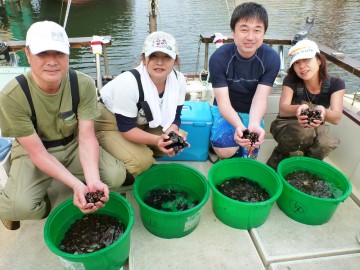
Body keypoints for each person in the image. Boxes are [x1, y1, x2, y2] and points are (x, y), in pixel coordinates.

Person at [0, 21, 126, 230]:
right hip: (34, 153)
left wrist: (92, 181)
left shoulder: (83, 84)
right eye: (43, 54)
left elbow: (86, 137)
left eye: (59, 54)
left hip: (73, 145)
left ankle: (65, 178)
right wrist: (77, 185)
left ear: (68, 55)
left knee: (115, 177)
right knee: (20, 207)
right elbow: (37, 153)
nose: (52, 61)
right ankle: (39, 193)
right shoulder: (11, 96)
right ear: (28, 54)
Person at [94, 31, 187, 178]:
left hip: (139, 121)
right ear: (144, 58)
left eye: (167, 57)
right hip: (109, 123)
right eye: (154, 56)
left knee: (178, 137)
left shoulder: (178, 80)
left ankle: (131, 151)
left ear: (175, 60)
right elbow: (126, 128)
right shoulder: (128, 83)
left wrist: (171, 135)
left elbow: (175, 117)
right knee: (142, 161)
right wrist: (158, 140)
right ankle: (109, 156)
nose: (160, 62)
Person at [208, 2, 280, 159]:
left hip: (252, 111)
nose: (250, 37)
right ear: (233, 32)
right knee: (225, 150)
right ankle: (215, 143)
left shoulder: (271, 58)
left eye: (257, 30)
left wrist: (253, 124)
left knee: (249, 150)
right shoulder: (219, 58)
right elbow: (223, 103)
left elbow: (260, 98)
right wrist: (239, 126)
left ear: (263, 33)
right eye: (244, 29)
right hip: (226, 109)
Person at [266, 39, 345, 170]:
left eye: (306, 59)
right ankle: (280, 155)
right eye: (297, 62)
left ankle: (307, 164)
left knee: (326, 142)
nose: (302, 66)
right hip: (287, 124)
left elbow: (336, 118)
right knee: (303, 132)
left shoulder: (336, 84)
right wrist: (299, 109)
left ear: (319, 60)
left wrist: (322, 111)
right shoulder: (291, 80)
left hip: (316, 125)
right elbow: (283, 109)